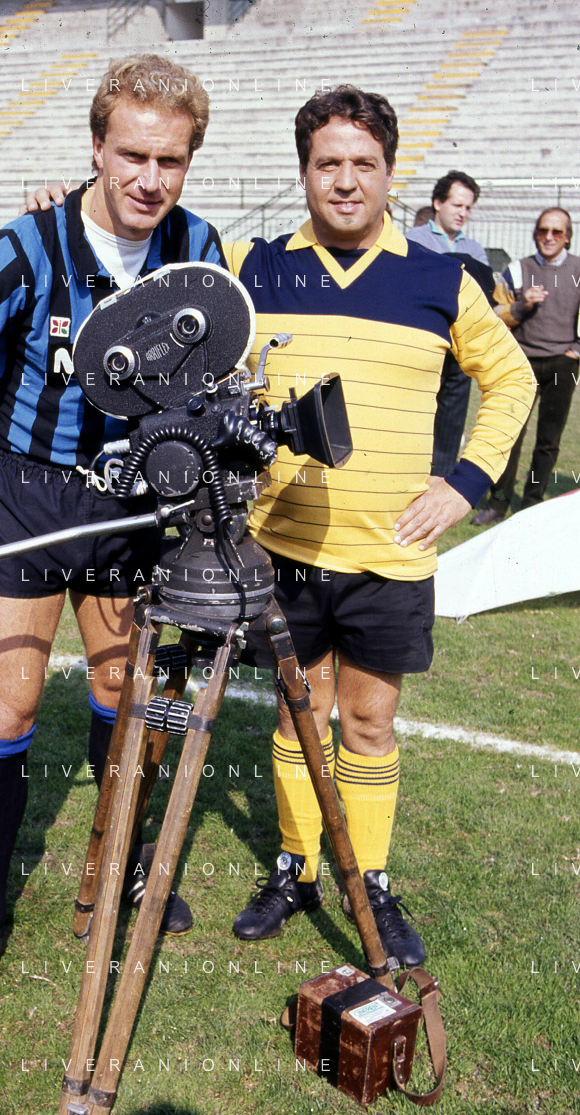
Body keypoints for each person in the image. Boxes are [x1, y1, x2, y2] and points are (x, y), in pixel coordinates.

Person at [0, 54, 225, 1015]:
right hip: (26, 499)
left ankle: (117, 861)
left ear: (190, 162)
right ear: (97, 147)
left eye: (171, 160)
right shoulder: (24, 246)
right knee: (11, 708)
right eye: (133, 154)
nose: (150, 178)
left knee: (122, 697)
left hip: (129, 507)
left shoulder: (198, 246)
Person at [220, 87, 535, 968]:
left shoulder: (442, 278)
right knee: (298, 714)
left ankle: (371, 879)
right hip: (283, 546)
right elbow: (163, 296)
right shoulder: (251, 265)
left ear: (391, 173)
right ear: (304, 173)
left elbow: (512, 380)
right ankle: (296, 867)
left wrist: (464, 482)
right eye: (328, 163)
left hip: (389, 553)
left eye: (364, 163)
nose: (346, 180)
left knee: (365, 720)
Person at [472, 207, 580, 525]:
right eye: (543, 230)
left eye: (556, 232)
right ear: (535, 233)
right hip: (521, 362)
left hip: (562, 363)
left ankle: (532, 503)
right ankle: (497, 504)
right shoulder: (518, 269)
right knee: (509, 435)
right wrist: (523, 304)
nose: (549, 237)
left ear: (568, 237)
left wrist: (576, 351)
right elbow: (495, 312)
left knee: (548, 440)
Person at [406, 171, 491, 476]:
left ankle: (440, 479)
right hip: (421, 344)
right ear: (438, 203)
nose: (463, 213)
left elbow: (484, 295)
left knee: (452, 421)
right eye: (457, 205)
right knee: (414, 415)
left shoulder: (476, 249)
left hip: (458, 347)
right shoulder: (413, 240)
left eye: (468, 208)